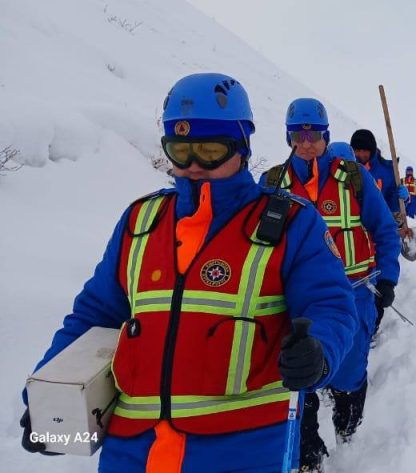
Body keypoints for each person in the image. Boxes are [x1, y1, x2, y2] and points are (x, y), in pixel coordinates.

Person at [20, 73, 360, 472]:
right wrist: (46, 404)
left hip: (243, 450)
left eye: (210, 150)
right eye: (179, 152)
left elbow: (332, 306)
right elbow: (93, 317)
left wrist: (319, 352)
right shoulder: (140, 221)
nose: (194, 165)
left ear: (242, 146)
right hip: (133, 449)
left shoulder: (292, 224)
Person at [261, 105, 401, 471]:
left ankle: (348, 423)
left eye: (314, 135)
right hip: (296, 299)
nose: (307, 144)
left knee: (350, 371)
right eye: (298, 136)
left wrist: (387, 278)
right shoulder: (273, 183)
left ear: (326, 135)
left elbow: (384, 229)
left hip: (354, 292)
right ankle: (309, 450)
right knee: (297, 374)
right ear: (288, 137)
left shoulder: (353, 177)